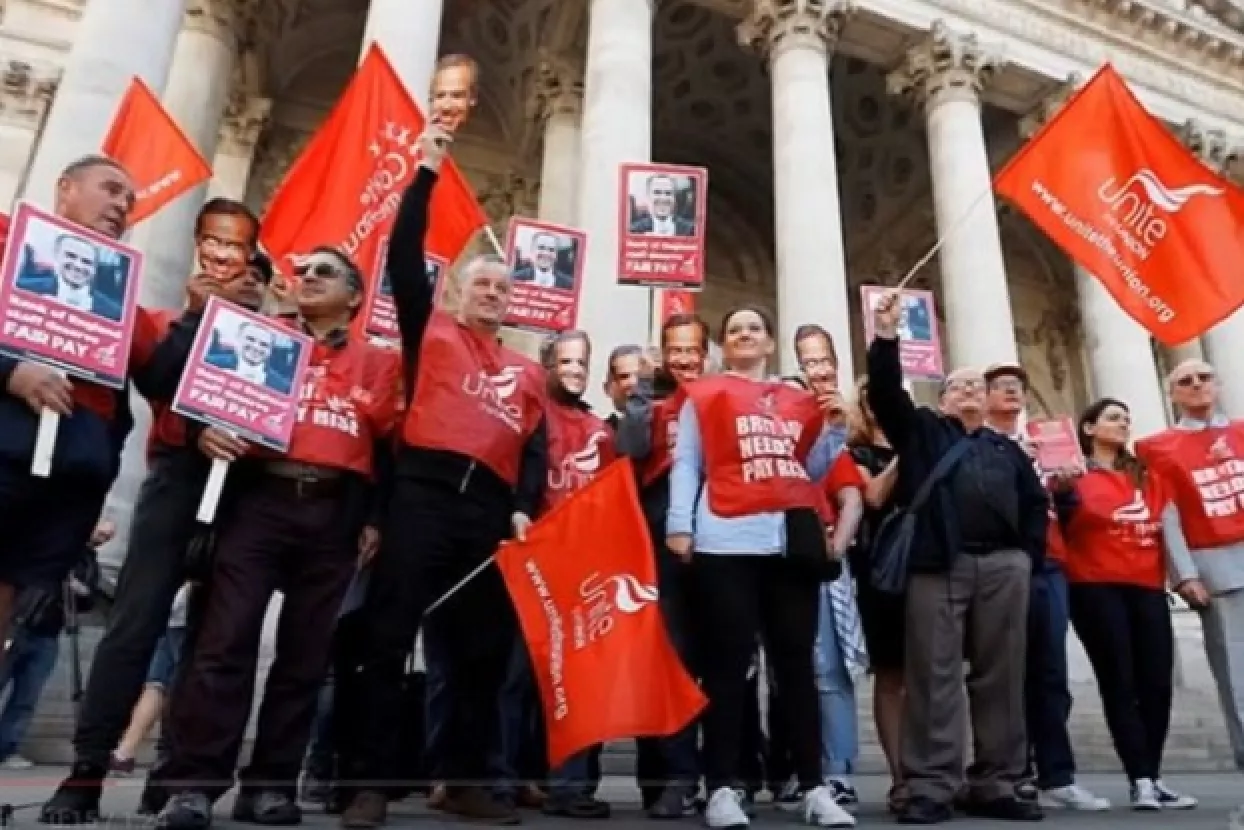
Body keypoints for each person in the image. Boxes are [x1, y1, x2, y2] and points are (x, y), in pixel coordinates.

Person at [339, 124, 547, 827]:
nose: (490, 292)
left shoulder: (527, 372)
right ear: (455, 295)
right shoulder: (431, 331)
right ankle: (369, 782)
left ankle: (464, 779)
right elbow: (401, 255)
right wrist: (426, 172)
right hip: (421, 496)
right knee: (389, 637)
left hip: (487, 515)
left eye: (500, 286)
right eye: (479, 284)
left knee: (481, 653)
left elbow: (535, 450)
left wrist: (521, 506)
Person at [153, 245, 400, 830]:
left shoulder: (381, 363)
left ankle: (270, 787)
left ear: (356, 297)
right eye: (305, 270)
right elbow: (195, 402)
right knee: (224, 643)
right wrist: (202, 432)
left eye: (326, 273)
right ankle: (192, 787)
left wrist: (376, 519)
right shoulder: (256, 337)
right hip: (258, 501)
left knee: (305, 657)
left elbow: (392, 447)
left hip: (335, 511)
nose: (309, 278)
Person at [39, 203, 267, 826]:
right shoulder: (169, 319)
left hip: (248, 492)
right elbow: (157, 383)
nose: (224, 255)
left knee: (217, 637)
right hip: (177, 478)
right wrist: (197, 318)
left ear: (252, 256)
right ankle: (87, 772)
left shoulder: (276, 334)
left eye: (237, 245)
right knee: (135, 626)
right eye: (214, 242)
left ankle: (176, 779)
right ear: (197, 245)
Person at [0, 154, 204, 659]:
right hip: (7, 444)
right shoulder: (6, 244)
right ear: (64, 187)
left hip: (68, 473)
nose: (121, 206)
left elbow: (156, 372)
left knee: (9, 600)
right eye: (110, 190)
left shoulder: (118, 293)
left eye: (129, 202)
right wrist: (11, 371)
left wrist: (194, 318)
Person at [667, 305, 855, 829]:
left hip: (788, 542)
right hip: (726, 536)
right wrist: (679, 523)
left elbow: (807, 470)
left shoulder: (798, 400)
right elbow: (687, 461)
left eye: (754, 328)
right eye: (734, 330)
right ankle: (722, 786)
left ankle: (815, 786)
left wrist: (835, 431)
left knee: (795, 667)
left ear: (770, 343)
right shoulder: (703, 394)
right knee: (728, 666)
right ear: (724, 346)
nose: (745, 334)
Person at [865, 290, 1047, 824]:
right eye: (957, 385)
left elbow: (1035, 504)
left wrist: (1025, 557)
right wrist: (886, 336)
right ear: (942, 400)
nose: (968, 390)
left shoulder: (1006, 448)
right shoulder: (923, 431)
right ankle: (929, 784)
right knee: (933, 675)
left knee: (1002, 676)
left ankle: (999, 780)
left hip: (1004, 568)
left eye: (976, 385)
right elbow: (884, 393)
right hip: (937, 566)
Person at [981, 362, 1109, 812]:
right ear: (985, 397)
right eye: (1001, 388)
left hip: (1050, 563)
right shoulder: (979, 446)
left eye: (1017, 387)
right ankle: (1008, 772)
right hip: (1002, 561)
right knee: (1003, 672)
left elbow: (1069, 512)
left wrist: (1069, 488)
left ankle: (1057, 774)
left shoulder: (1047, 445)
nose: (1012, 393)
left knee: (1051, 671)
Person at [1060, 397, 1197, 810]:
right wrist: (1062, 491)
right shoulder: (1071, 476)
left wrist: (1184, 576)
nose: (1123, 424)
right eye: (1113, 417)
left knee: (1156, 683)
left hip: (1147, 587)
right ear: (1088, 428)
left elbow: (1168, 523)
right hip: (1095, 588)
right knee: (1119, 682)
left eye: (1126, 417)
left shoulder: (1146, 476)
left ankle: (1151, 776)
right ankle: (1140, 778)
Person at [615, 313, 709, 819]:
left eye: (693, 349)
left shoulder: (721, 397)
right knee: (670, 658)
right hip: (661, 539)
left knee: (718, 662)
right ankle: (674, 776)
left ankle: (721, 776)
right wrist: (643, 390)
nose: (685, 358)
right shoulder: (655, 405)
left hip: (720, 536)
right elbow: (627, 448)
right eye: (676, 349)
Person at [1136, 359, 1244, 780]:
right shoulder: (1157, 446)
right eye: (1186, 381)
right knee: (1236, 667)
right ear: (1173, 394)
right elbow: (1167, 513)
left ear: (1217, 385)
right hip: (1215, 564)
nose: (1197, 385)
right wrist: (1184, 573)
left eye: (1204, 378)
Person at [534, 330, 614, 819]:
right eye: (565, 360)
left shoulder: (599, 429)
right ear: (546, 365)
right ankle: (514, 780)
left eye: (582, 361)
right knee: (523, 681)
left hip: (587, 565)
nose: (575, 368)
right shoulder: (531, 417)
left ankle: (572, 786)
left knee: (581, 682)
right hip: (535, 562)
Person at [794, 325, 866, 810]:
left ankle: (837, 770)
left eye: (821, 362)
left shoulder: (830, 437)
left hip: (816, 560)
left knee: (828, 670)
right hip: (764, 558)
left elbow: (851, 497)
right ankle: (791, 772)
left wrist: (836, 547)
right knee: (785, 671)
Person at [0, 520, 110, 769]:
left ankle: (6, 749)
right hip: (19, 622)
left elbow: (88, 600)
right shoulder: (52, 547)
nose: (99, 538)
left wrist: (80, 589)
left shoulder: (87, 564)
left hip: (49, 631)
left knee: (26, 697)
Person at [843, 377, 905, 814]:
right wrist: (908, 453)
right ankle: (902, 775)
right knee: (891, 674)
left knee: (937, 677)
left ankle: (942, 771)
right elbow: (873, 495)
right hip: (880, 569)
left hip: (930, 568)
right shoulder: (857, 452)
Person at [109, 584, 192, 775]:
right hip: (188, 618)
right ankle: (173, 752)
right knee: (183, 686)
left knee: (156, 686)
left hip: (168, 618)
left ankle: (124, 753)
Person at [16, 233, 123, 322]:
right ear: (57, 256)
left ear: (95, 269)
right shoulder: (24, 288)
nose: (78, 266)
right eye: (71, 256)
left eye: (87, 262)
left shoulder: (114, 312)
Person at [205, 320, 293, 395]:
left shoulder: (282, 386)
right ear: (238, 339)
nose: (256, 347)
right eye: (250, 339)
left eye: (264, 344)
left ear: (270, 350)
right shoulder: (210, 363)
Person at [429, 53, 479, 135]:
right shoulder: (416, 144)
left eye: (456, 96)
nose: (446, 107)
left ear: (473, 97)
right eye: (440, 96)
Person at [629, 175, 694, 237]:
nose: (663, 198)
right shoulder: (634, 231)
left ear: (674, 198)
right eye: (657, 192)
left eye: (668, 193)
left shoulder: (691, 230)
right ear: (648, 196)